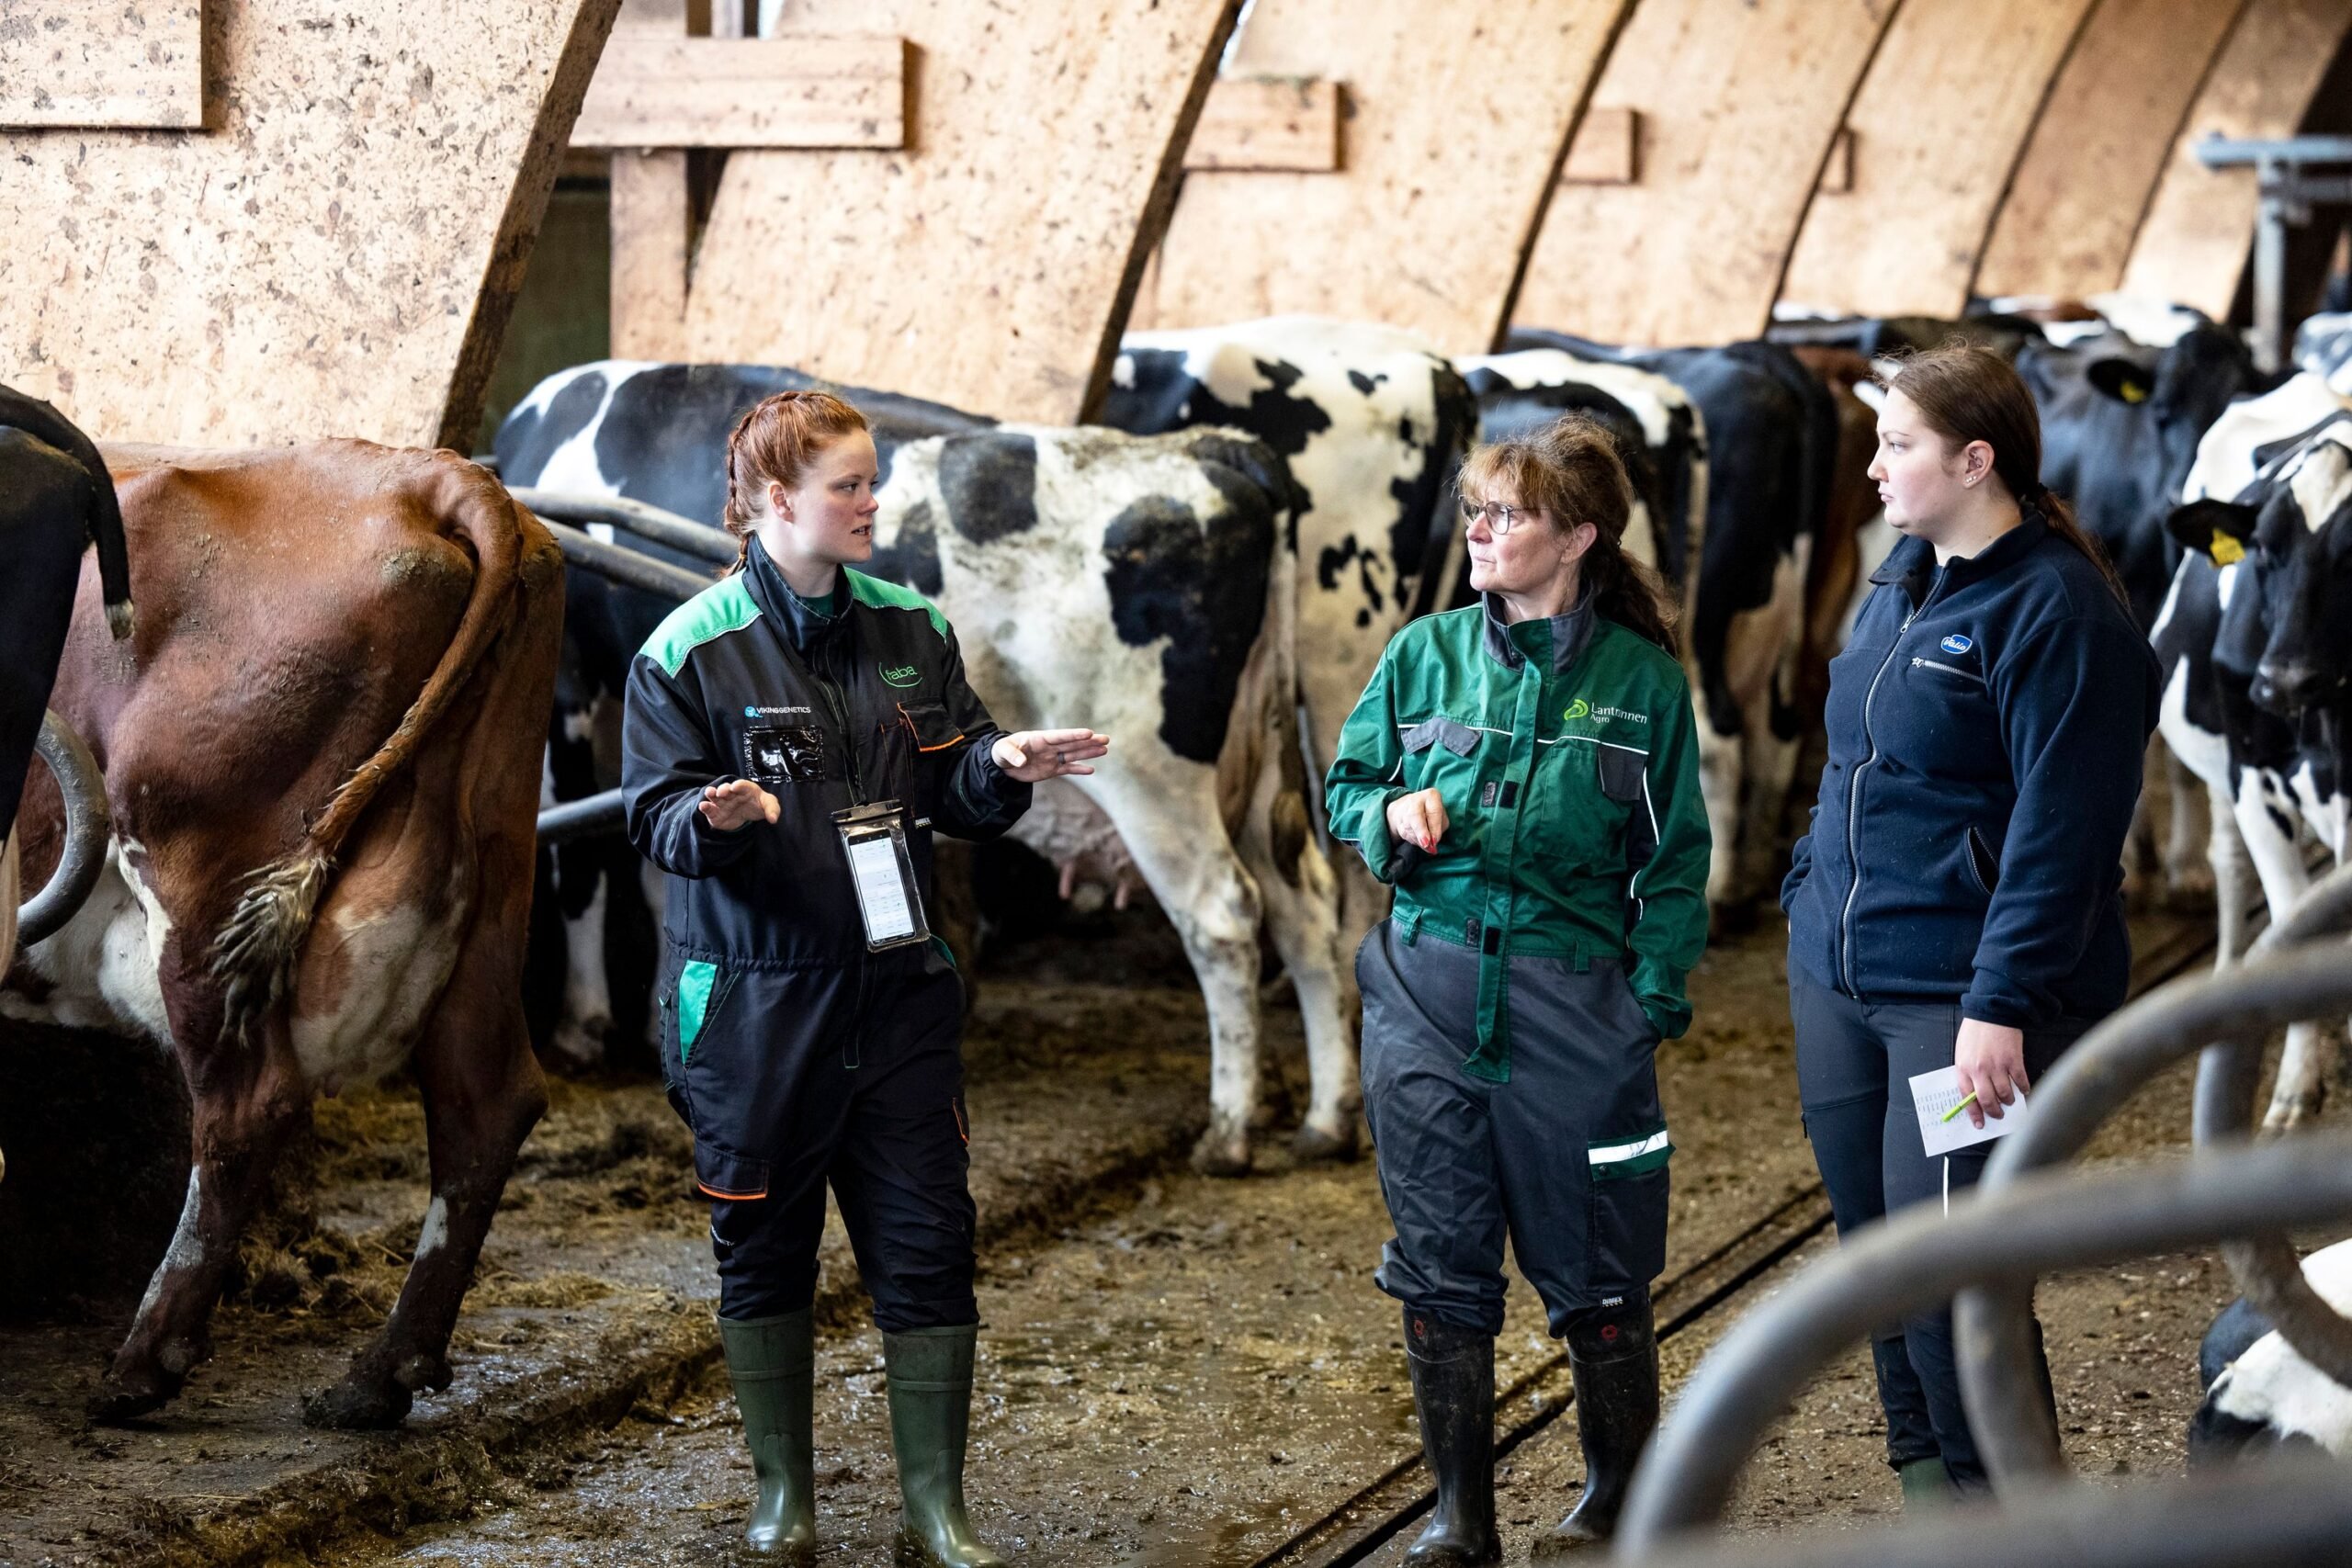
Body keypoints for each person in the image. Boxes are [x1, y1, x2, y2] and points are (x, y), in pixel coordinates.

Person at [621, 389, 1108, 1564]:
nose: (870, 503)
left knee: (929, 1243)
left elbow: (956, 785)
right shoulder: (686, 651)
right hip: (754, 1001)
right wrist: (710, 816)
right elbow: (651, 816)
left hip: (897, 993)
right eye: (848, 485)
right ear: (775, 501)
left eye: (869, 481)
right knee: (763, 1250)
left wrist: (1003, 765)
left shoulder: (911, 629)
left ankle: (935, 1513)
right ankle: (783, 1501)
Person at [1324, 416, 1711, 1561]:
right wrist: (1386, 812)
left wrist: (1645, 1006)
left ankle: (1613, 1503)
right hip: (1425, 995)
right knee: (1438, 1261)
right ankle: (1460, 1520)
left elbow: (1674, 863)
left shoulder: (1643, 685)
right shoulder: (1424, 653)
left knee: (1600, 1269)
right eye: (1476, 510)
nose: (1480, 532)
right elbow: (1346, 785)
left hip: (1573, 1008)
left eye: (1509, 515)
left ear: (1578, 537)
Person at [1781, 344, 2160, 1505]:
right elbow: (1851, 762)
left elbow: (2064, 835)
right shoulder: (1901, 576)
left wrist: (1998, 1005)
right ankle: (1929, 1500)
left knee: (1951, 1278)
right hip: (1840, 980)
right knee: (1877, 1263)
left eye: (1897, 445)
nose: (1875, 468)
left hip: (1961, 1007)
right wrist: (1807, 889)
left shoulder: (2059, 612)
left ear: (1974, 460)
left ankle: (2014, 1519)